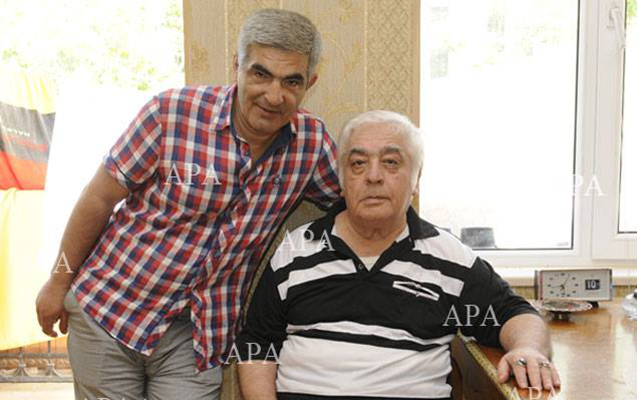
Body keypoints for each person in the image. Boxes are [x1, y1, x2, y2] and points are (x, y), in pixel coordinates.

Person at [35, 9, 340, 400]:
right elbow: (98, 198)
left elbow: (360, 205)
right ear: (237, 66)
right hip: (109, 311)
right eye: (260, 74)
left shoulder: (311, 144)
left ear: (309, 83)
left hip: (198, 336)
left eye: (291, 81)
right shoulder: (171, 112)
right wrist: (58, 281)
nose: (273, 95)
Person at [236, 110, 561, 400]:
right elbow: (257, 344)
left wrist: (527, 349)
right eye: (358, 163)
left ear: (416, 178)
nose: (373, 176)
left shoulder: (449, 258)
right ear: (342, 179)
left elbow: (514, 314)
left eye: (391, 162)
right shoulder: (295, 250)